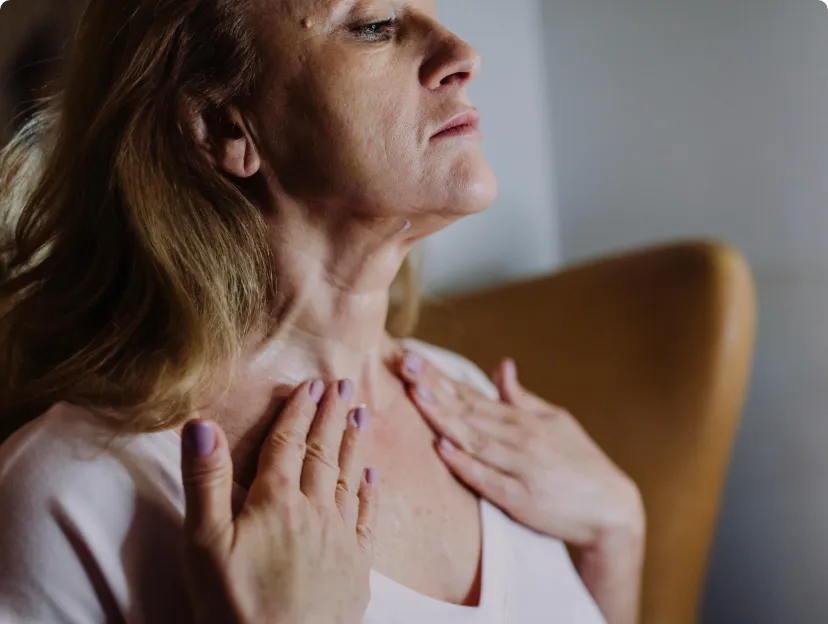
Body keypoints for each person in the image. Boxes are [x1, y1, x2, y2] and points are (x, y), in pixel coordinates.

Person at [0, 0, 645, 622]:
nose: (463, 56)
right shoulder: (74, 493)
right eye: (374, 26)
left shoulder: (472, 402)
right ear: (224, 124)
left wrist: (615, 539)